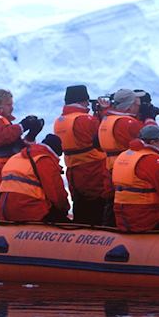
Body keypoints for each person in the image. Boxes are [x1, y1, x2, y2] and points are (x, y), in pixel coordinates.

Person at [0, 89, 44, 218]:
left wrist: (31, 135)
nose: (12, 108)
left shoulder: (1, 121)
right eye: (8, 104)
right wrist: (22, 126)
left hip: (7, 171)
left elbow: (18, 148)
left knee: (7, 207)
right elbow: (2, 137)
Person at [97, 88, 156, 225]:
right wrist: (150, 119)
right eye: (136, 104)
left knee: (111, 202)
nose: (139, 107)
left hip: (110, 167)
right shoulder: (126, 123)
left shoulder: (107, 119)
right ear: (129, 106)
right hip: (126, 170)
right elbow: (150, 138)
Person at [53, 85, 108, 225]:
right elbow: (104, 136)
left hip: (73, 171)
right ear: (84, 100)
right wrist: (105, 113)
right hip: (94, 171)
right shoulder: (85, 120)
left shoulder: (60, 121)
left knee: (81, 208)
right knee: (97, 210)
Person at [0, 134, 70, 223]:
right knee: (64, 221)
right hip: (30, 212)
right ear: (57, 151)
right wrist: (64, 209)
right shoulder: (44, 160)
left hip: (4, 212)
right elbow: (56, 194)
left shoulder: (16, 157)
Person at [112, 124, 159, 232]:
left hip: (122, 215)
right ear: (152, 142)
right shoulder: (152, 160)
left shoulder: (123, 155)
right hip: (147, 216)